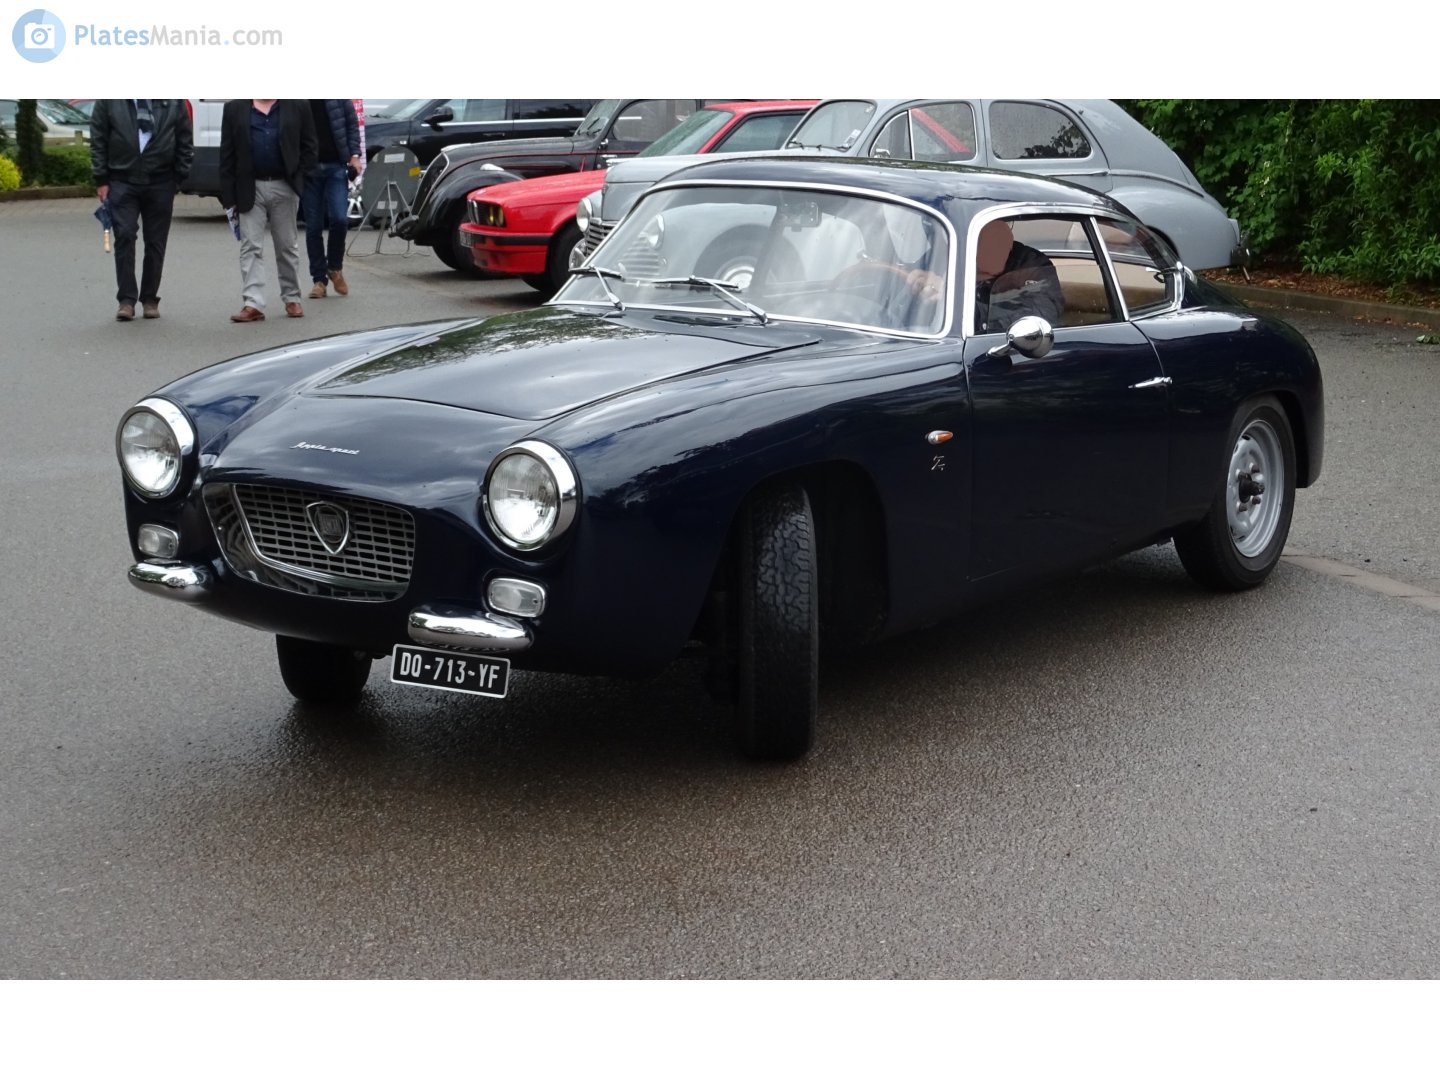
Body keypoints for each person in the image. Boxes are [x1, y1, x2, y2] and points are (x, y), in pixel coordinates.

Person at [90, 99, 194, 321]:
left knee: (156, 241)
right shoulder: (109, 100)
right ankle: (126, 300)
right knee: (125, 235)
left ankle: (149, 298)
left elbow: (185, 140)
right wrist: (101, 179)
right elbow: (98, 138)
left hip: (161, 181)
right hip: (122, 180)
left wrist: (178, 177)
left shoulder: (173, 100)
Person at [219, 98, 318, 322]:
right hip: (249, 187)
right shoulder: (234, 108)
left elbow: (310, 146)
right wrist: (228, 196)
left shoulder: (297, 106)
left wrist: (301, 178)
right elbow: (227, 154)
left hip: (285, 185)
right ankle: (252, 303)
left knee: (287, 245)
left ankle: (292, 297)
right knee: (250, 246)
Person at [904, 218, 1064, 332]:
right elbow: (900, 309)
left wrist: (951, 298)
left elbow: (1039, 319)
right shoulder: (940, 258)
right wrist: (916, 288)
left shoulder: (1032, 265)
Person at [303, 99, 362, 300]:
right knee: (313, 226)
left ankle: (335, 267)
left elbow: (351, 125)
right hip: (309, 169)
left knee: (339, 219)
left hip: (336, 166)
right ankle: (319, 281)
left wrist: (355, 155)